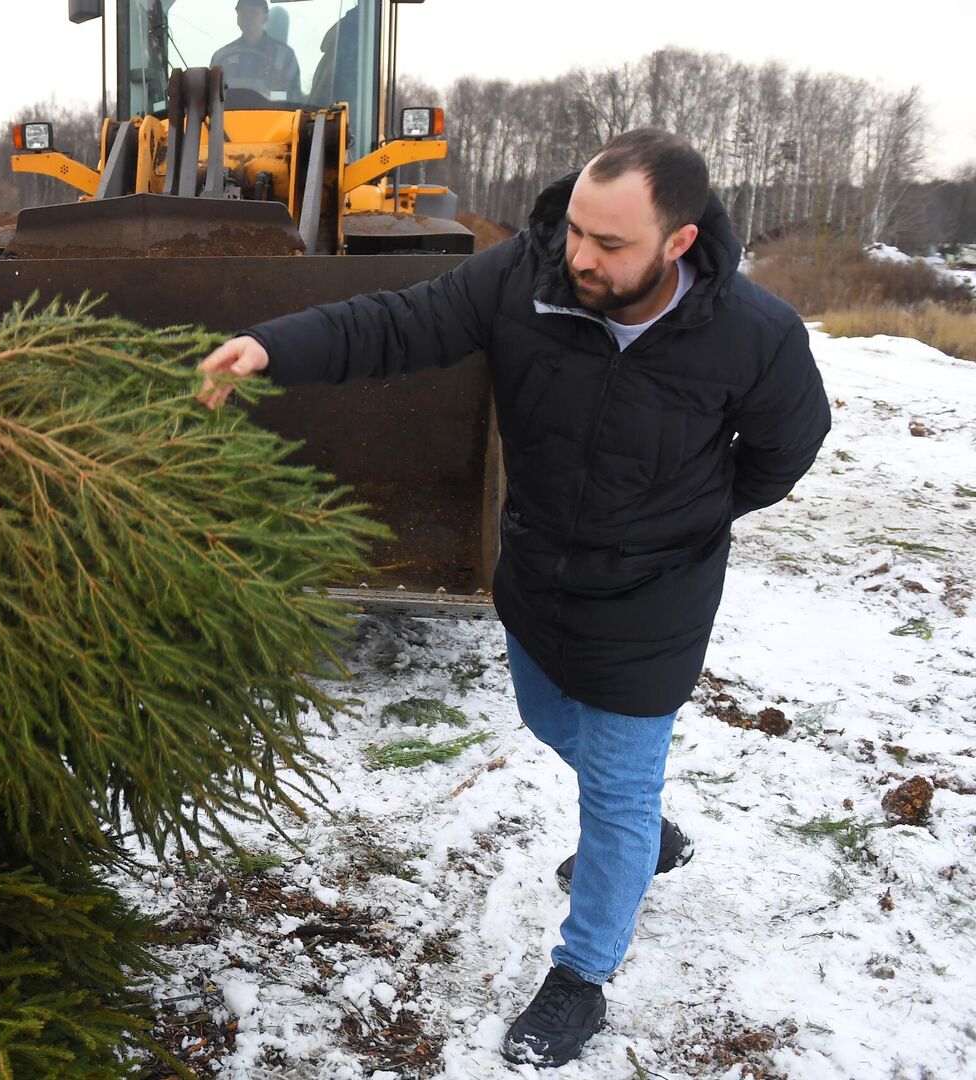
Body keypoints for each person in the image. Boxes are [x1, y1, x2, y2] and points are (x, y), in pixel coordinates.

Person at [197, 129, 830, 1067]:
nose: (579, 256)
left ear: (679, 243)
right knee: (544, 716)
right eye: (575, 229)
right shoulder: (523, 280)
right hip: (536, 576)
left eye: (609, 244)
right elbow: (396, 322)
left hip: (654, 599)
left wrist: (687, 518)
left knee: (613, 790)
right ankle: (641, 823)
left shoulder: (756, 335)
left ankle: (583, 976)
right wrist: (269, 346)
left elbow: (786, 452)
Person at [209, 0, 301, 100]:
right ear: (238, 19)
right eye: (243, 13)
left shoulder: (284, 56)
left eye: (253, 13)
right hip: (229, 114)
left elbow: (292, 97)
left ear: (265, 17)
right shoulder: (222, 57)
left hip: (272, 114)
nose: (247, 18)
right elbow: (212, 96)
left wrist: (268, 95)